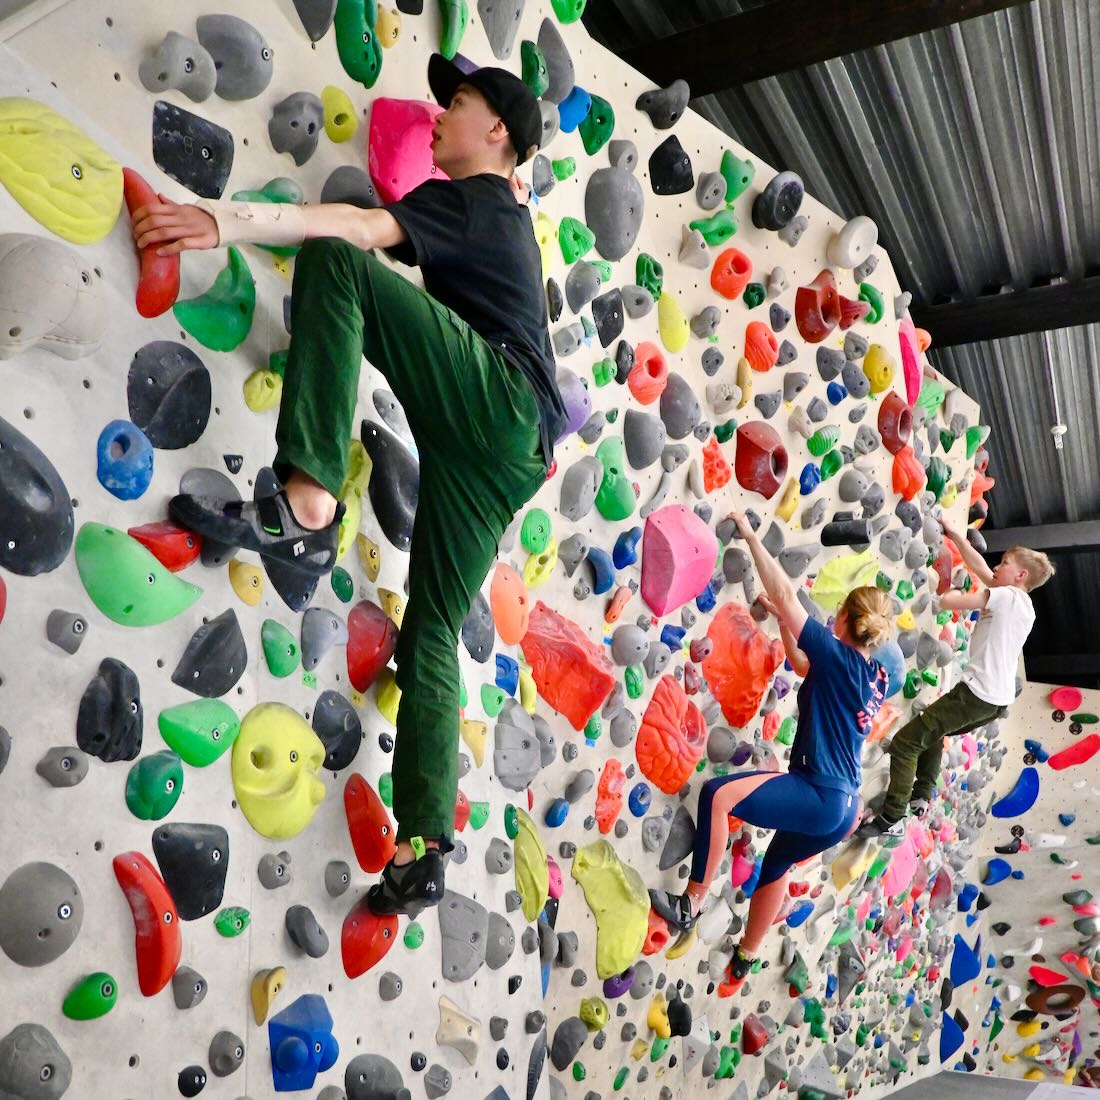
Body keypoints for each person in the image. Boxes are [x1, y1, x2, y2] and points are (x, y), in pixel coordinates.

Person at [130, 55, 567, 916]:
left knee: (335, 257)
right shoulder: (484, 210)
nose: (439, 116)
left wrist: (220, 221)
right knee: (433, 633)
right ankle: (422, 846)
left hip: (501, 403)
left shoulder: (483, 201)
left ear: (499, 134)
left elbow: (353, 230)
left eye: (460, 103)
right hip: (511, 450)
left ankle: (308, 503)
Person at [649, 511, 892, 995]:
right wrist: (783, 620)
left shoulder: (839, 655)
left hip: (818, 792)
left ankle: (690, 905)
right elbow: (804, 666)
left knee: (718, 797)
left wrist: (749, 533)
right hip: (843, 811)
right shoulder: (874, 677)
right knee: (776, 863)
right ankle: (744, 960)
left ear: (843, 617)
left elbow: (785, 592)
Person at [857, 522, 1053, 838]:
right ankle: (922, 794)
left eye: (1004, 564)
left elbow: (951, 602)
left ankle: (892, 817)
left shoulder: (1004, 597)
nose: (996, 567)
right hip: (994, 701)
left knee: (906, 743)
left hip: (977, 695)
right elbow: (979, 567)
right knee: (934, 728)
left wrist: (943, 593)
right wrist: (955, 536)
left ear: (1021, 576)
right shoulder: (1023, 604)